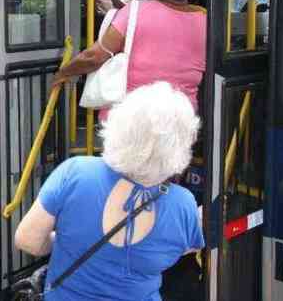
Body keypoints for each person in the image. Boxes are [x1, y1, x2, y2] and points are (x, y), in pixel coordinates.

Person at [15, 82, 204, 300]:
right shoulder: (183, 205)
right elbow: (179, 249)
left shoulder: (75, 172)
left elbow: (27, 239)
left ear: (120, 122)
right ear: (180, 145)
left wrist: (65, 240)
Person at [54, 0, 207, 121]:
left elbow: (93, 57)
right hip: (180, 121)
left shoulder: (134, 12)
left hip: (130, 122)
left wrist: (63, 73)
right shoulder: (207, 22)